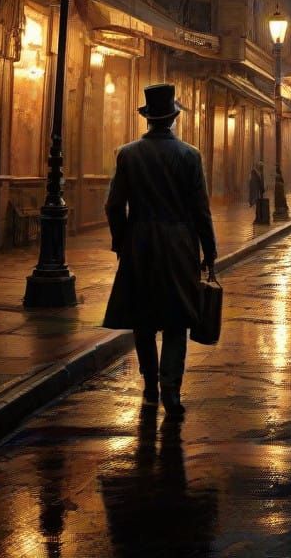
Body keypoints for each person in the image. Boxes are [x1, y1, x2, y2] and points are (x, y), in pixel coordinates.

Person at [103, 84, 217, 416]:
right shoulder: (189, 156)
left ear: (149, 119)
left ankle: (150, 385)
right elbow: (201, 210)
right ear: (173, 118)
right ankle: (171, 391)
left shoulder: (128, 154)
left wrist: (122, 241)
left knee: (143, 318)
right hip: (180, 244)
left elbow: (113, 206)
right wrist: (209, 253)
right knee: (177, 318)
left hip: (140, 243)